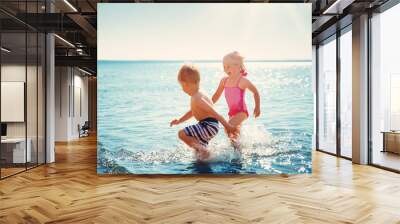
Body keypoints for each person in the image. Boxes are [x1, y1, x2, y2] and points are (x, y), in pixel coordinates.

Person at [170, 64, 237, 160]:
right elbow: (192, 112)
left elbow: (214, 112)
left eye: (182, 86)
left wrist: (228, 126)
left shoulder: (198, 98)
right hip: (210, 126)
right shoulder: (199, 94)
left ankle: (203, 150)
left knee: (182, 134)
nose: (182, 89)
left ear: (186, 84)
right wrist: (180, 120)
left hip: (208, 125)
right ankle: (203, 152)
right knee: (199, 155)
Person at [211, 51, 261, 144]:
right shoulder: (224, 81)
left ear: (238, 66)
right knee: (233, 135)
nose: (226, 69)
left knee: (228, 127)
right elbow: (216, 95)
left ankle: (237, 149)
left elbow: (255, 92)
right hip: (231, 113)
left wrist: (257, 107)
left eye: (228, 66)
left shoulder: (243, 81)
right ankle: (238, 151)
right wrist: (207, 105)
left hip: (242, 112)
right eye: (224, 67)